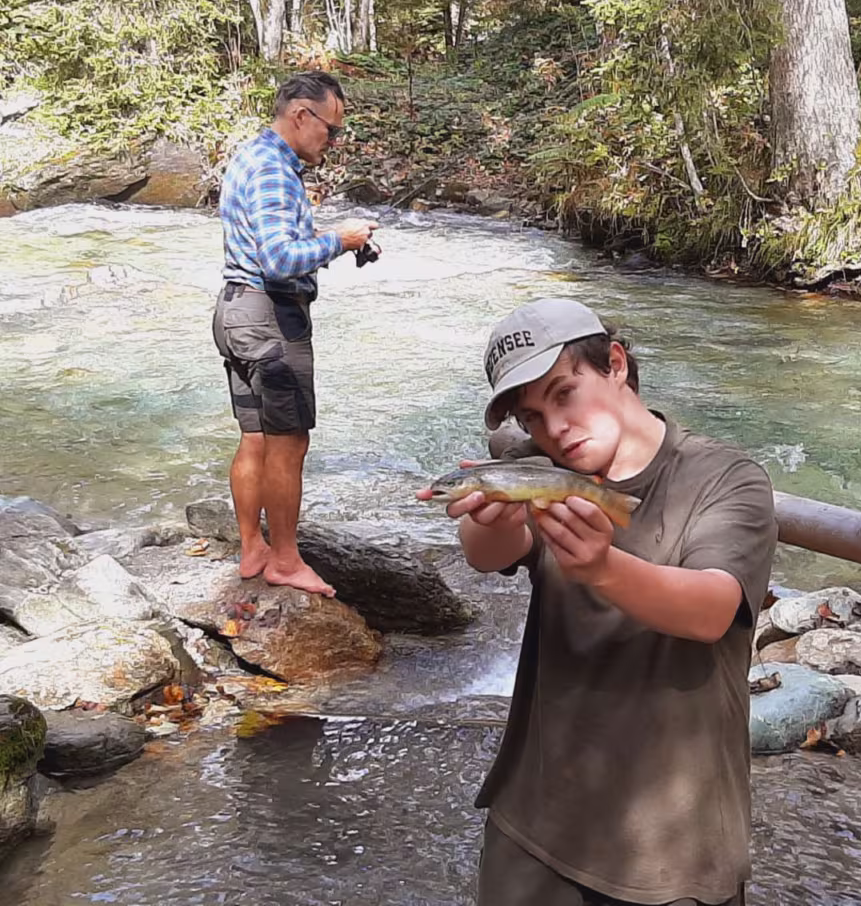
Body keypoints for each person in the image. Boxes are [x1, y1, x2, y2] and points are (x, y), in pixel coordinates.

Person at [419, 298, 778, 905]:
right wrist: (488, 511)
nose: (554, 427)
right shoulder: (535, 465)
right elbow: (487, 551)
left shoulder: (723, 478)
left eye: (564, 394)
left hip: (670, 850)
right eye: (532, 417)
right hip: (531, 819)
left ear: (614, 365)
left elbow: (711, 610)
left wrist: (604, 568)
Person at [212, 70, 379, 597]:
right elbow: (280, 259)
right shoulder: (274, 171)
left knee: (256, 437)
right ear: (301, 116)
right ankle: (284, 558)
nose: (333, 142)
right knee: (290, 442)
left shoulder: (252, 155)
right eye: (332, 130)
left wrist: (339, 244)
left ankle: (251, 548)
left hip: (235, 312)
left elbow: (274, 243)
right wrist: (339, 239)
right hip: (269, 319)